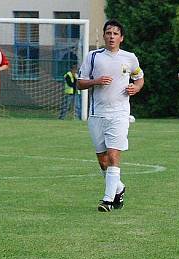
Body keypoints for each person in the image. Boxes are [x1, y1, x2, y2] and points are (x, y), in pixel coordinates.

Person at [77, 20, 144, 212]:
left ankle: (107, 200)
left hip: (120, 114)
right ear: (104, 36)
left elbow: (139, 77)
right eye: (108, 33)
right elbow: (80, 83)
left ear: (121, 38)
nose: (111, 36)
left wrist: (135, 87)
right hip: (97, 114)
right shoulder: (93, 57)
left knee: (114, 155)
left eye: (115, 33)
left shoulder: (130, 58)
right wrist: (96, 81)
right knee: (103, 161)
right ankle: (119, 188)